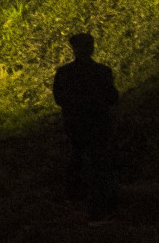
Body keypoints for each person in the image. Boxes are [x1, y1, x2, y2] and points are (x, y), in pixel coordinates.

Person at [50, 32, 119, 221]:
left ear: (74, 50)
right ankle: (100, 202)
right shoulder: (102, 72)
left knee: (77, 158)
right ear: (92, 48)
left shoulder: (64, 73)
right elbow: (113, 98)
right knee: (99, 162)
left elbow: (59, 99)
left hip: (76, 125)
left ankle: (76, 198)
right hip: (99, 124)